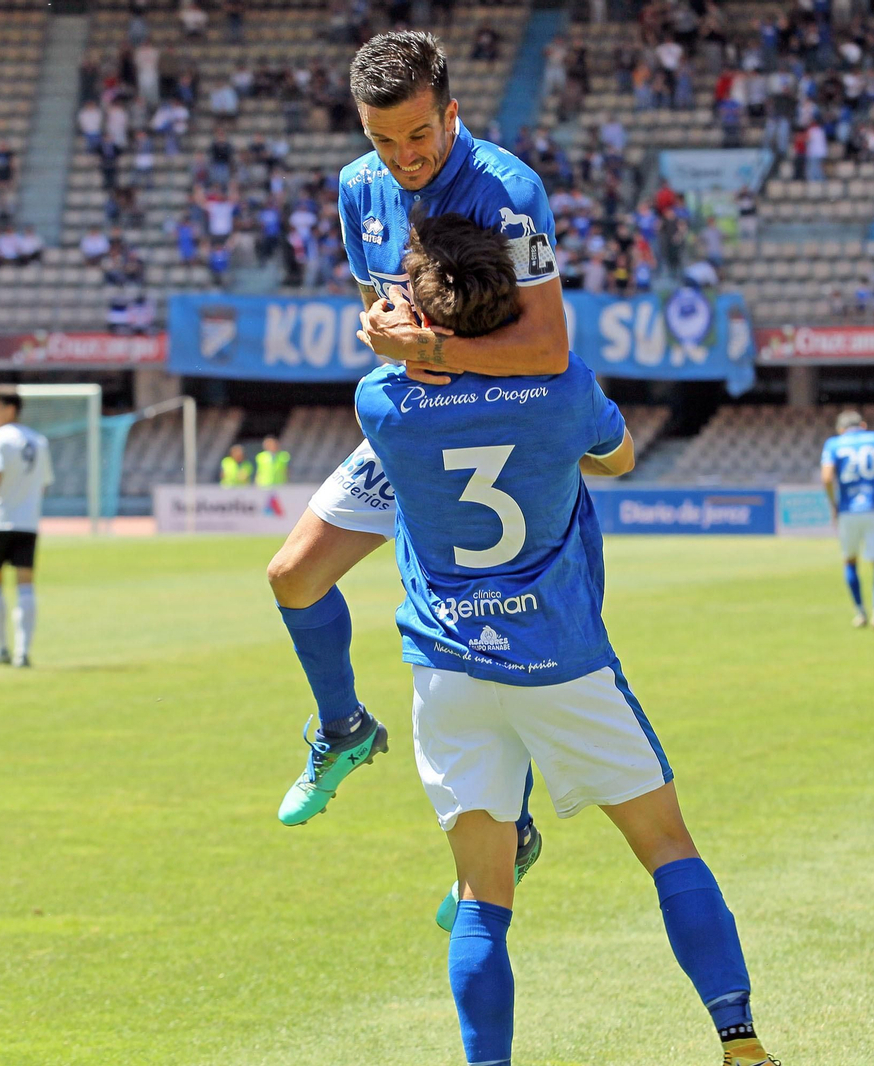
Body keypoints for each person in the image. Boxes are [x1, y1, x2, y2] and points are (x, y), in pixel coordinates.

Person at [355, 212, 780, 1066]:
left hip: (448, 664)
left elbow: (414, 367)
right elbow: (617, 459)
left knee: (482, 896)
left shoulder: (382, 402)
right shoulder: (561, 389)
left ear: (422, 311)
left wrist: (405, 346)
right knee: (666, 849)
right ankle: (739, 1044)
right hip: (559, 659)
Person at [265, 30, 570, 891]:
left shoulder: (510, 192)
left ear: (451, 112)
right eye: (382, 139)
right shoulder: (356, 188)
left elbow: (548, 348)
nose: (403, 157)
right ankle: (343, 728)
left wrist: (428, 346)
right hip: (412, 422)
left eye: (418, 136)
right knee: (293, 576)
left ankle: (508, 831)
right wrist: (386, 338)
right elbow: (380, 312)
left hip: (499, 428)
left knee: (471, 636)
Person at [0, 389, 53, 669]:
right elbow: (44, 483)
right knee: (26, 585)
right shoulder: (39, 440)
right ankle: (23, 652)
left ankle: (1, 648)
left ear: (9, 409)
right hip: (28, 523)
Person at [821, 410, 874, 629]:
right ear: (862, 425)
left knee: (850, 561)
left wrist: (834, 503)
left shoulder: (833, 444)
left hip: (848, 510)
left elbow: (826, 478)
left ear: (841, 429)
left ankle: (860, 612)